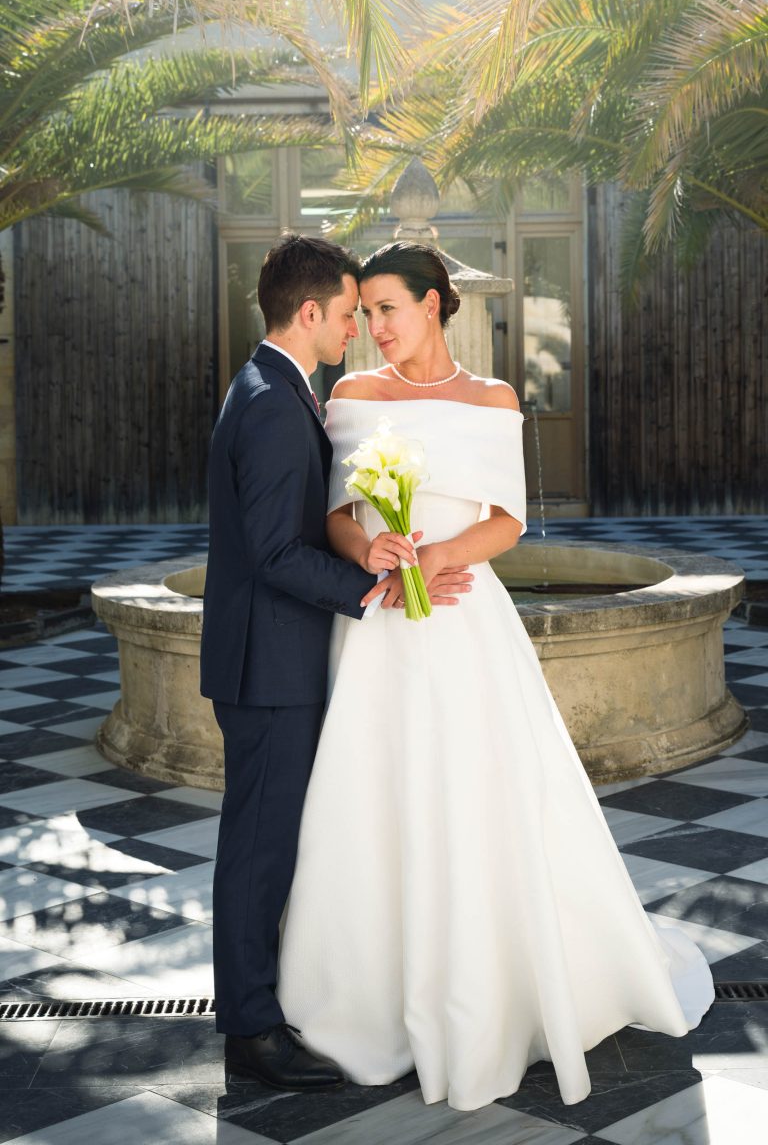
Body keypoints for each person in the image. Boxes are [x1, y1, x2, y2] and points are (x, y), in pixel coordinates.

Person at [276, 241, 715, 1110]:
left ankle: (501, 987)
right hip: (379, 629)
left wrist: (434, 554)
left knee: (485, 793)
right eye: (362, 314)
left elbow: (508, 521)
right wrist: (377, 551)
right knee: (373, 794)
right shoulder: (352, 396)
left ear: (434, 305)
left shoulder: (493, 398)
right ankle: (361, 995)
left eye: (388, 310)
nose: (373, 329)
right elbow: (333, 514)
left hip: (465, 621)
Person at [201, 235, 473, 1092]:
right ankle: (252, 1031)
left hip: (265, 662)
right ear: (310, 312)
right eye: (351, 314)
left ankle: (261, 1008)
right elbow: (280, 552)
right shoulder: (278, 405)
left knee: (266, 846)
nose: (357, 328)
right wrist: (374, 585)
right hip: (268, 670)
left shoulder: (271, 386)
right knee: (258, 852)